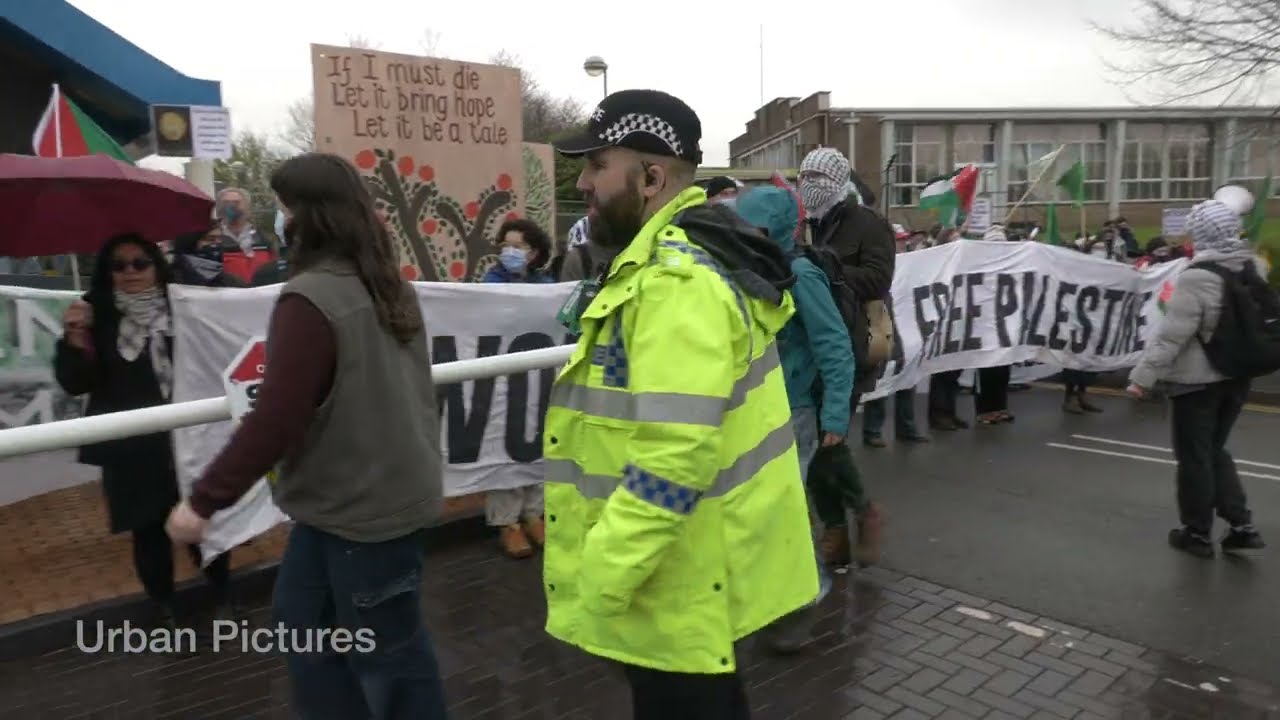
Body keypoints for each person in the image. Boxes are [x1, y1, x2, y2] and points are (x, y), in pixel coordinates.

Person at [543, 89, 818, 720]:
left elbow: (673, 460)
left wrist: (600, 584)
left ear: (650, 177)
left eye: (596, 165)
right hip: (678, 568)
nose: (583, 182)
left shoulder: (676, 287)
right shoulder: (667, 268)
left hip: (672, 577)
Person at [165, 153, 449, 719]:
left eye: (284, 207)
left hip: (359, 512)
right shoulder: (389, 286)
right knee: (310, 636)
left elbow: (276, 418)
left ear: (306, 217)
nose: (277, 218)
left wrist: (203, 501)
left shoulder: (309, 299)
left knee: (389, 660)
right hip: (354, 505)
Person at [54, 234, 234, 628]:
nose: (130, 272)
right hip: (132, 448)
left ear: (156, 265)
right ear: (107, 272)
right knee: (148, 531)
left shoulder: (183, 306)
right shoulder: (94, 314)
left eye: (140, 263)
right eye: (119, 265)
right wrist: (74, 338)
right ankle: (165, 606)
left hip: (188, 439)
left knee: (205, 521)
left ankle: (222, 595)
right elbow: (75, 382)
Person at [735, 184, 850, 651]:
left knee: (778, 508)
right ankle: (784, 597)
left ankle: (803, 596)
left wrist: (835, 415)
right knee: (768, 508)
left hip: (795, 412)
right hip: (756, 410)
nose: (746, 236)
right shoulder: (744, 271)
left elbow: (833, 345)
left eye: (756, 228)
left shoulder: (801, 275)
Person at [1127, 199, 1266, 559]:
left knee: (1194, 458)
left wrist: (1143, 377)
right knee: (1214, 450)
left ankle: (1197, 533)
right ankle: (1241, 525)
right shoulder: (1254, 267)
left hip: (1197, 381)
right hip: (1237, 375)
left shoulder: (1197, 277)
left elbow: (1173, 336)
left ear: (1202, 234)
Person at [480, 218, 553, 557]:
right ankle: (506, 522)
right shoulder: (489, 284)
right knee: (504, 447)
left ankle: (534, 513)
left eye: (517, 247)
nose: (509, 252)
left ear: (534, 253)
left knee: (539, 445)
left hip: (538, 380)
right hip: (503, 383)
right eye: (504, 246)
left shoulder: (547, 285)